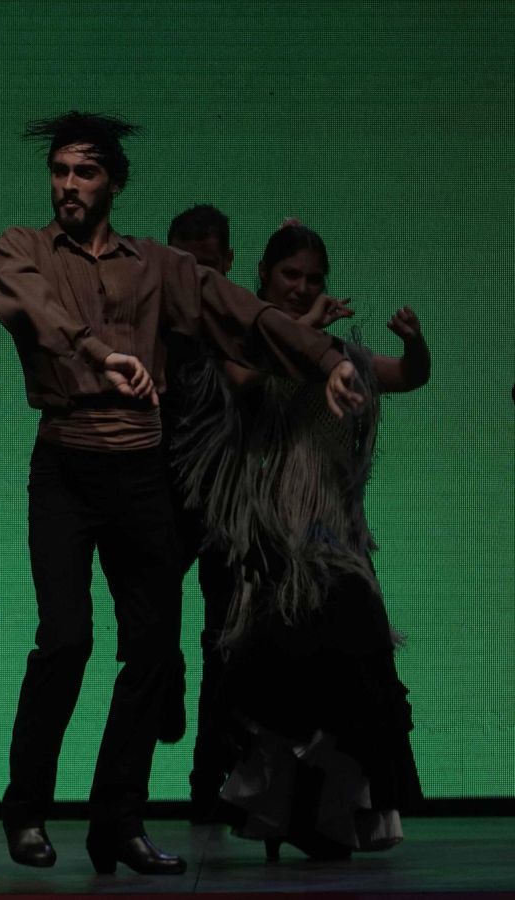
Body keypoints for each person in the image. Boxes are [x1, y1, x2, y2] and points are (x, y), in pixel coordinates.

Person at [0, 112, 366, 876]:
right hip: (64, 466)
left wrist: (324, 357)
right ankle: (26, 809)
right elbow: (30, 307)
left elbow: (243, 313)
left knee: (154, 653)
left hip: (137, 476)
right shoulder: (21, 248)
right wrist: (102, 352)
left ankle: (116, 823)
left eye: (84, 173)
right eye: (59, 171)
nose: (68, 186)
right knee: (65, 640)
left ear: (114, 183)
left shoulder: (156, 265)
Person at [171, 220, 427, 860]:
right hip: (266, 544)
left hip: (331, 539)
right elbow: (245, 381)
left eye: (313, 279)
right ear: (263, 278)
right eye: (291, 276)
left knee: (354, 662)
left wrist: (416, 344)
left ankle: (331, 819)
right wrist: (305, 325)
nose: (302, 287)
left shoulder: (345, 358)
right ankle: (286, 820)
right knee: (278, 684)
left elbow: (405, 376)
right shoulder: (245, 348)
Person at [161, 203, 241, 823]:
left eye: (207, 266)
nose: (196, 278)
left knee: (225, 645)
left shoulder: (243, 320)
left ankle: (208, 785)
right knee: (154, 626)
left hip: (227, 501)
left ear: (229, 263)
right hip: (163, 493)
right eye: (184, 266)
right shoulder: (156, 323)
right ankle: (166, 685)